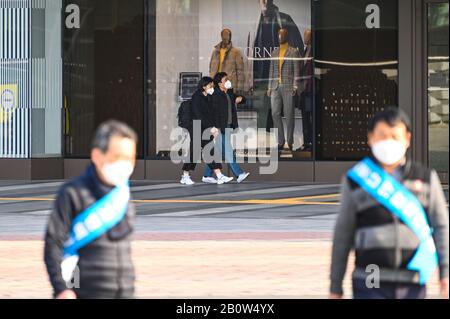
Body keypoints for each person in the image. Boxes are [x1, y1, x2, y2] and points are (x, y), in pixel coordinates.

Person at [330, 108, 449, 299]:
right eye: (382, 135)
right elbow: (343, 234)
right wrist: (335, 285)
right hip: (370, 276)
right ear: (370, 138)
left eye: (395, 136)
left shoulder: (425, 178)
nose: (388, 142)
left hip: (412, 278)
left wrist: (445, 273)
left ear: (407, 139)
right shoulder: (357, 179)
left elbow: (441, 227)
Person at [44, 120, 138, 299]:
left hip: (124, 290)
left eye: (130, 158)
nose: (125, 164)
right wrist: (61, 288)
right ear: (97, 155)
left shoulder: (123, 194)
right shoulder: (73, 193)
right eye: (117, 157)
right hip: (84, 291)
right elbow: (53, 244)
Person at [246, 0, 304, 131]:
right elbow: (250, 54)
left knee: (279, 114)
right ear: (258, 2)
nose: (265, 2)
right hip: (260, 77)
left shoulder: (285, 20)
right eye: (262, 0)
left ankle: (279, 143)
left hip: (281, 78)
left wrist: (294, 81)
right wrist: (250, 79)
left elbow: (298, 50)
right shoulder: (254, 24)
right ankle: (263, 144)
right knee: (262, 115)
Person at [181, 77, 234, 185]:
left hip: (206, 127)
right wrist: (211, 128)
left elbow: (211, 114)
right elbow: (199, 115)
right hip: (196, 127)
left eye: (212, 86)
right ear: (204, 86)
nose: (212, 88)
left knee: (210, 151)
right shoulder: (197, 97)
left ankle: (219, 176)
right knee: (195, 153)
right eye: (210, 86)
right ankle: (185, 176)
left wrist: (214, 127)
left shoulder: (209, 97)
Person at [203, 72, 250, 183]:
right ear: (219, 83)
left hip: (228, 125)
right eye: (225, 80)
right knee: (228, 150)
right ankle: (239, 174)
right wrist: (216, 127)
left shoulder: (229, 93)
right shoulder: (215, 95)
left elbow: (242, 99)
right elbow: (214, 112)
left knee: (218, 152)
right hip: (220, 127)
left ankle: (206, 175)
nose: (228, 81)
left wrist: (240, 98)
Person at [267, 28, 300, 152]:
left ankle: (290, 142)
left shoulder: (293, 52)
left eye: (282, 35)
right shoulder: (274, 52)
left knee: (289, 115)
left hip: (288, 86)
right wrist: (269, 87)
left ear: (287, 36)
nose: (280, 37)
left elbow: (297, 71)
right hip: (275, 86)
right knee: (275, 113)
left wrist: (295, 86)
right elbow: (271, 70)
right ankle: (280, 141)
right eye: (279, 35)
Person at [209, 29, 245, 94]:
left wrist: (239, 88)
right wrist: (211, 83)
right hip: (216, 84)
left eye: (228, 35)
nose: (226, 37)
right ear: (221, 36)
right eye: (224, 35)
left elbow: (240, 72)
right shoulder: (215, 52)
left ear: (230, 37)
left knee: (228, 102)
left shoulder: (235, 52)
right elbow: (211, 68)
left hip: (229, 85)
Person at [298, 29, 313, 152]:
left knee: (309, 117)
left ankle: (311, 142)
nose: (304, 38)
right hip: (304, 90)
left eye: (306, 36)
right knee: (305, 116)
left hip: (310, 90)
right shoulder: (305, 50)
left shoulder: (313, 51)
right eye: (304, 35)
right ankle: (307, 142)